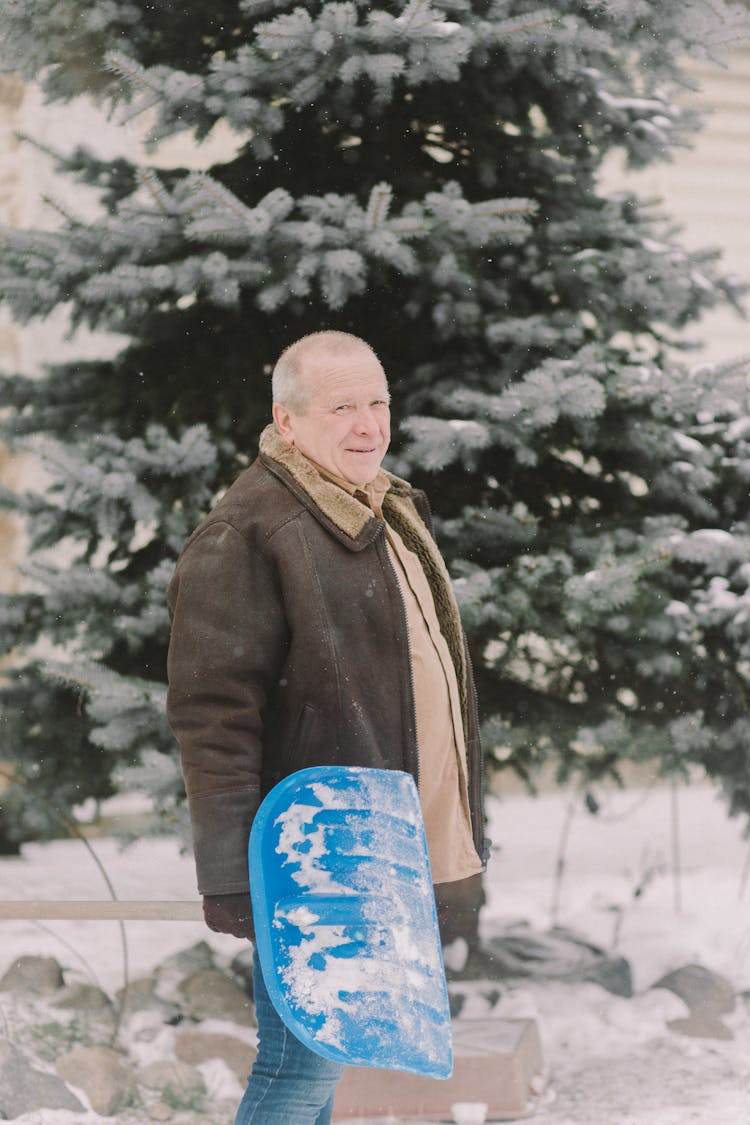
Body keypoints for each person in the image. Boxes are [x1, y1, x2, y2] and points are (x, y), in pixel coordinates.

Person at [166, 330, 487, 1124]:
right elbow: (213, 717)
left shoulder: (386, 511)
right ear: (289, 418)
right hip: (312, 854)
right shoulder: (249, 532)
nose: (369, 423)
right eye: (343, 406)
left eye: (378, 402)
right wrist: (232, 873)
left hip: (379, 844)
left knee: (322, 1066)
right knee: (298, 1068)